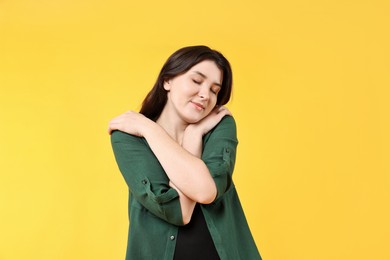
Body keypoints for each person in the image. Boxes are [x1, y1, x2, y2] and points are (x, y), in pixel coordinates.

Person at [108, 45, 261, 260]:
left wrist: (191, 134)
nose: (205, 95)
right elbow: (179, 211)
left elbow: (206, 191)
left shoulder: (219, 126)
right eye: (197, 81)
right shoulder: (129, 138)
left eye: (214, 90)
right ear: (167, 80)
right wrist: (150, 129)